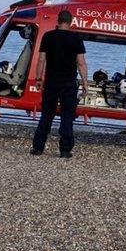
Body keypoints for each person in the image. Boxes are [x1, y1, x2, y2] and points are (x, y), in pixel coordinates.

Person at [30, 10, 88, 158]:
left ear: (58, 20)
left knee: (46, 115)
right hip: (68, 83)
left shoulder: (48, 36)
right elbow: (81, 63)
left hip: (51, 82)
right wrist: (85, 83)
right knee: (67, 116)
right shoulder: (76, 38)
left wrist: (38, 79)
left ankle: (37, 148)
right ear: (71, 21)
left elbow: (41, 60)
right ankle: (65, 150)